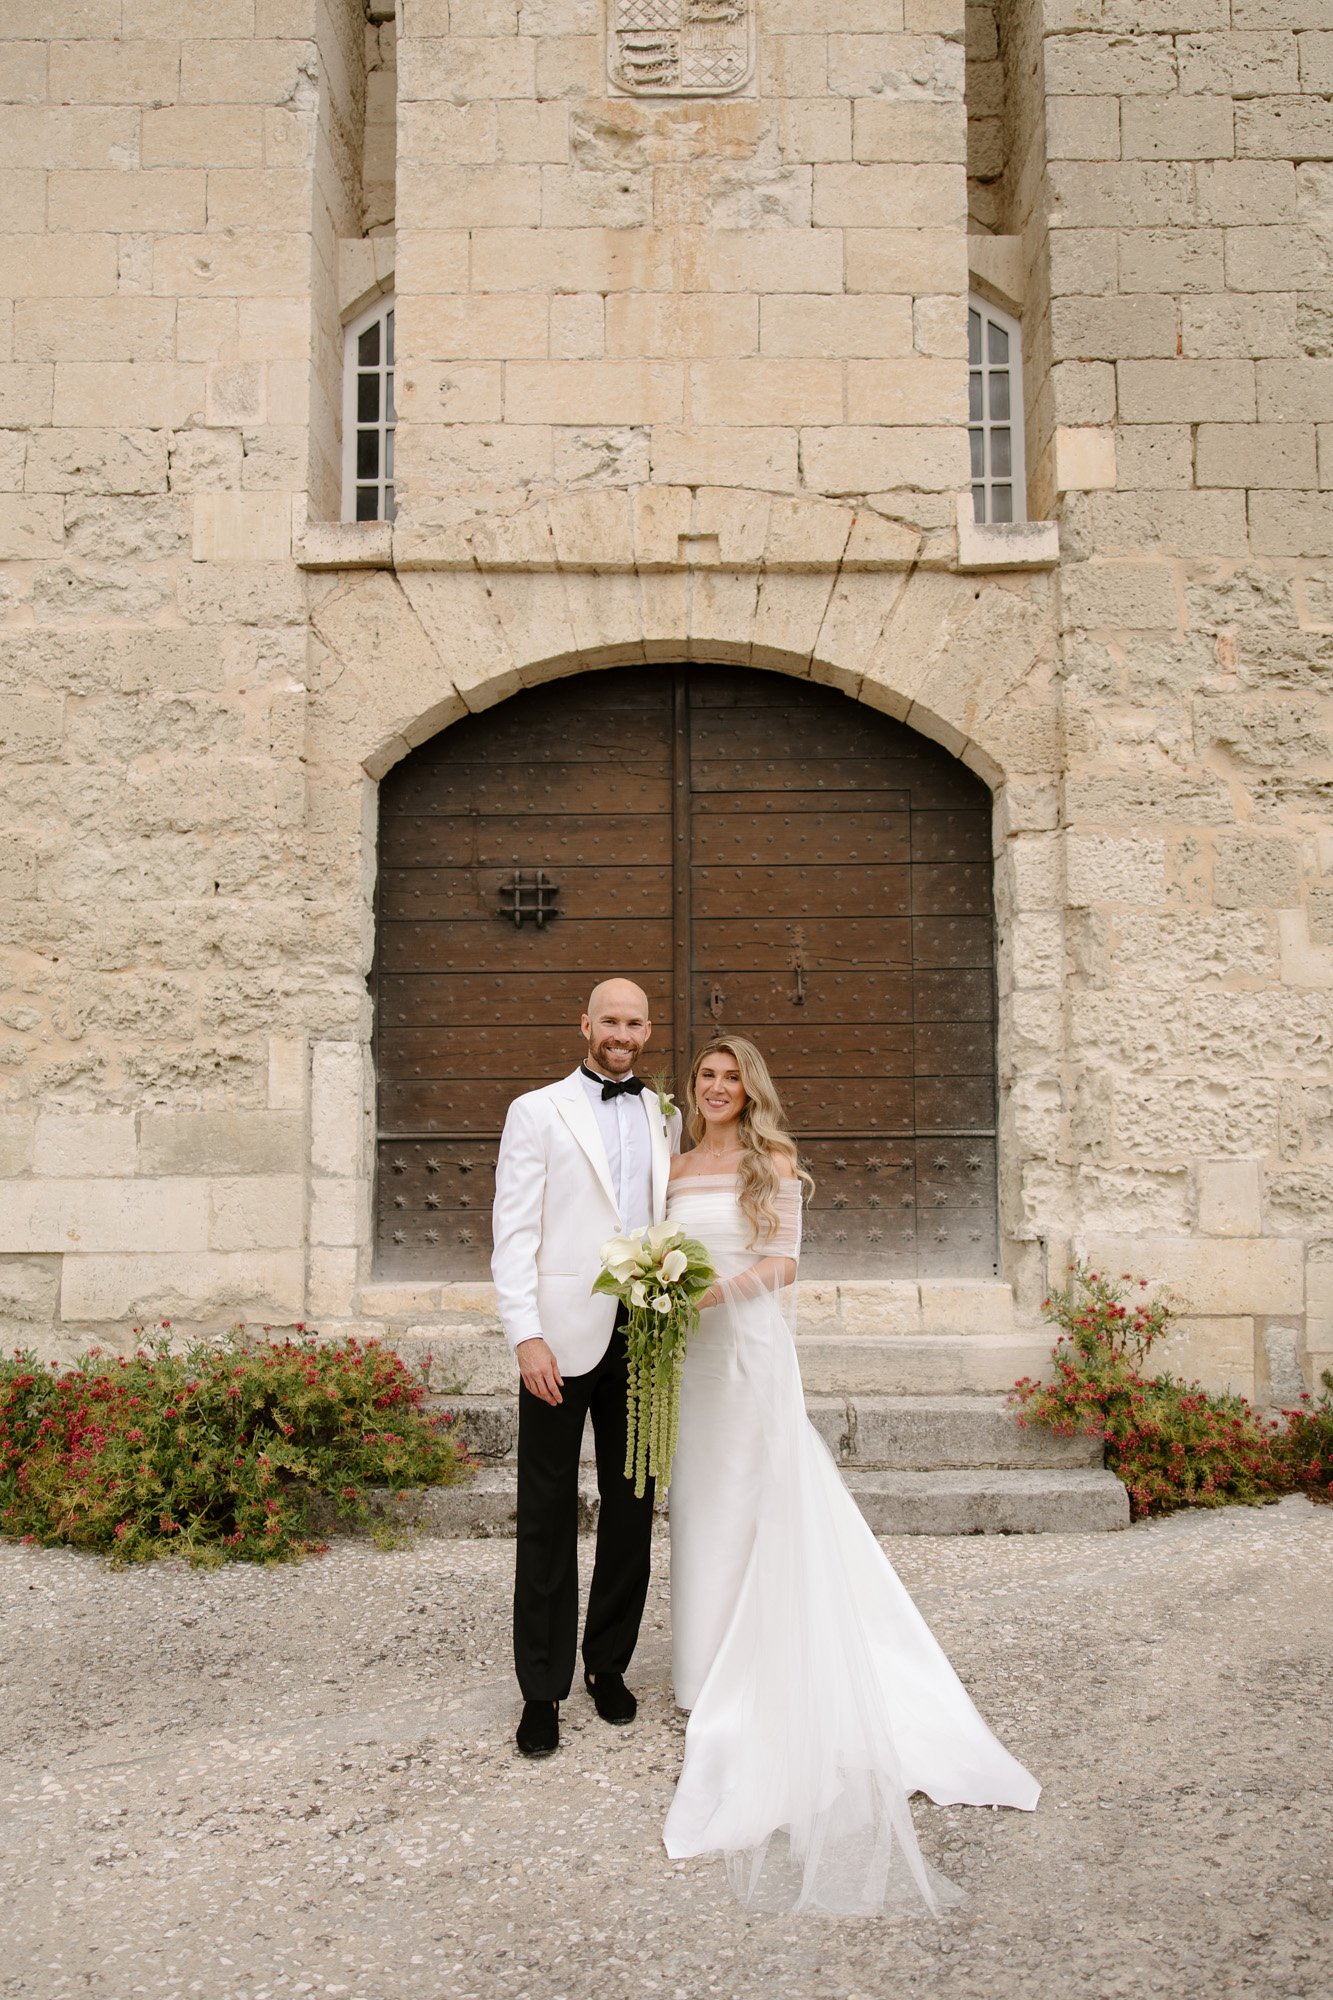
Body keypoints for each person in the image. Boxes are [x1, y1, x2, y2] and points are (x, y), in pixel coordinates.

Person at [663, 1037, 1039, 1916]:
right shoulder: (674, 1165)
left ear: (749, 1090)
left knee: (762, 1504)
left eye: (729, 1078)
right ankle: (702, 1668)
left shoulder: (775, 1161)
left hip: (748, 1349)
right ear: (694, 1089)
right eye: (705, 1078)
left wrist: (709, 1296)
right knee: (703, 1508)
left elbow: (785, 1264)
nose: (716, 1089)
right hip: (689, 1362)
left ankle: (768, 1667)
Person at [491, 978, 681, 1760]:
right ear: (585, 1025)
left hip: (646, 1332)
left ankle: (607, 1665)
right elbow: (512, 1230)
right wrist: (524, 1335)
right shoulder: (536, 1111)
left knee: (632, 1505)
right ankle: (541, 1690)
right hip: (560, 1340)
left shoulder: (662, 1112)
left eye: (635, 1023)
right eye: (610, 1020)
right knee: (544, 1514)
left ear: (645, 1032)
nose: (623, 1034)